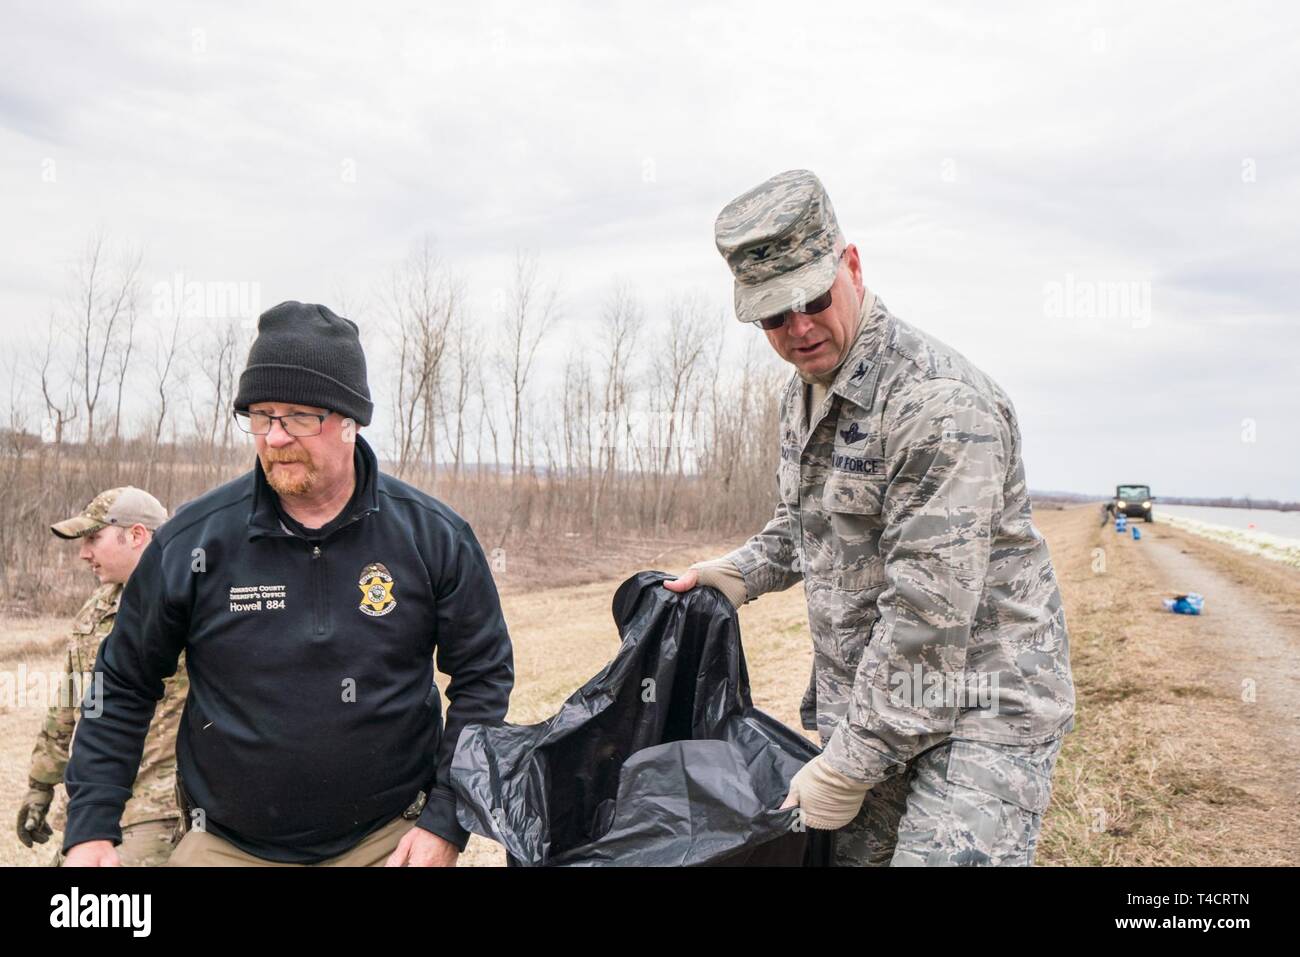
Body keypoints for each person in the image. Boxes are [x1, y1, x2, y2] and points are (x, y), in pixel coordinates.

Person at [666, 170, 1075, 866]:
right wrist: (735, 573)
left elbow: (927, 616)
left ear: (851, 267)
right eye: (773, 316)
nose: (798, 329)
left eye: (813, 300)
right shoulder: (805, 397)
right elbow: (804, 524)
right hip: (876, 704)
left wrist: (848, 764)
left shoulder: (937, 405)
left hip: (982, 712)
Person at [61, 301, 514, 867]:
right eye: (261, 415)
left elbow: (483, 675)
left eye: (299, 415)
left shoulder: (430, 536)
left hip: (388, 841)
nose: (274, 437)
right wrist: (90, 827)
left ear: (350, 421)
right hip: (226, 844)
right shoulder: (196, 541)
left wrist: (446, 821)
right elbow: (123, 682)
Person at [16, 486, 183, 866]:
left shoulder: (188, 599)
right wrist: (41, 784)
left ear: (137, 535)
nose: (83, 553)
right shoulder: (99, 606)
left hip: (160, 806)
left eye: (94, 538)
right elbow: (70, 699)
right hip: (94, 803)